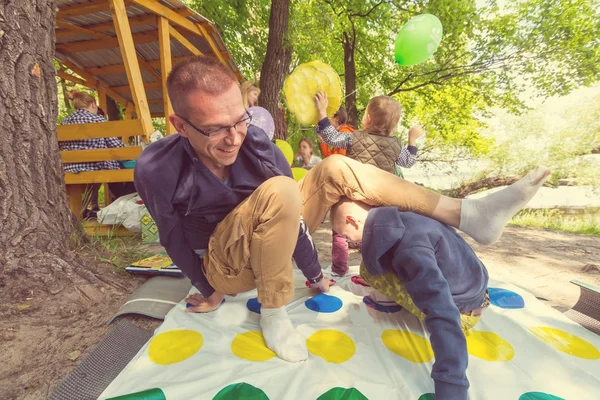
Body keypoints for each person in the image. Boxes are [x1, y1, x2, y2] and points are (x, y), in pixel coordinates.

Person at [134, 55, 549, 365]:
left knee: (333, 167)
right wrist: (208, 291)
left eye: (240, 121)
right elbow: (171, 235)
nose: (234, 138)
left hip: (272, 240)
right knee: (281, 187)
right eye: (215, 129)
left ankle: (468, 213)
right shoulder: (156, 168)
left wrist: (314, 275)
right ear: (179, 124)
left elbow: (293, 217)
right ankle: (274, 314)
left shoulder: (255, 143)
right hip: (227, 265)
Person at [328, 179, 547, 399]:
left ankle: (393, 302)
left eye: (345, 236)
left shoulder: (409, 250)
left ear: (352, 220)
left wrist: (451, 385)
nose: (348, 242)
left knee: (369, 268)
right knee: (374, 262)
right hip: (474, 283)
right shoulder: (406, 216)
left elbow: (442, 313)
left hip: (463, 312)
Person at [315, 93, 423, 275]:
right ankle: (371, 273)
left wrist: (322, 111)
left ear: (368, 118)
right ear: (394, 125)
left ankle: (339, 268)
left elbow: (331, 137)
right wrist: (412, 139)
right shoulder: (396, 145)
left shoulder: (353, 137)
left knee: (339, 230)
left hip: (352, 196)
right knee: (375, 236)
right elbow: (408, 161)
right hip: (379, 201)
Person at [60, 91, 134, 217]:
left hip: (69, 168)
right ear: (93, 105)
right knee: (130, 172)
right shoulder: (98, 120)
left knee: (113, 169)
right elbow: (116, 146)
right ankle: (125, 205)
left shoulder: (64, 122)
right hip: (96, 166)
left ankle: (82, 213)